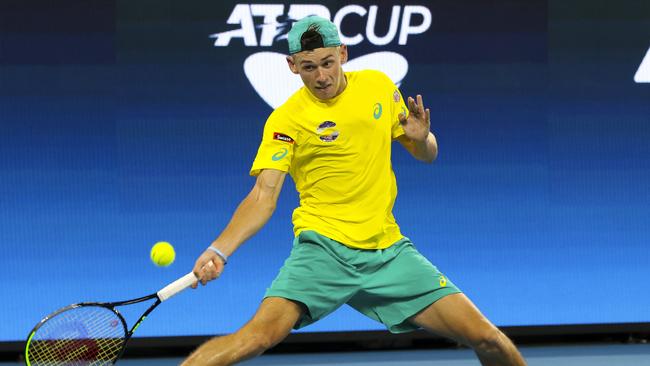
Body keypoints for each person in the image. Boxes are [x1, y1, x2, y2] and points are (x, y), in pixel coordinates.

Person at [182, 15, 526, 366]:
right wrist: (219, 250)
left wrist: (423, 139)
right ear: (291, 65)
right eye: (309, 66)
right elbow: (263, 195)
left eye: (328, 62)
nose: (321, 76)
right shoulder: (286, 120)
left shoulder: (378, 86)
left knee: (488, 339)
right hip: (323, 251)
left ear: (343, 54)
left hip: (388, 251)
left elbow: (427, 154)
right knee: (256, 337)